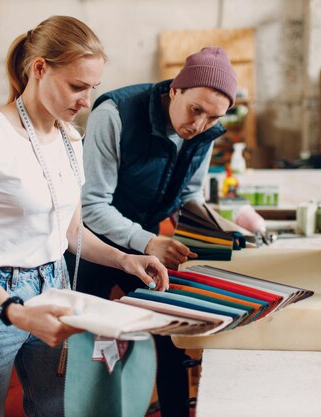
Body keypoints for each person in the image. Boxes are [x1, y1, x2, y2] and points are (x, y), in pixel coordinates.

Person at [0, 16, 168, 417]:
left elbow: (71, 230)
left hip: (54, 287)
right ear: (40, 68)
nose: (86, 101)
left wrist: (125, 259)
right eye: (77, 86)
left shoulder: (70, 139)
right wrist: (16, 311)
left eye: (92, 88)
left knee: (55, 410)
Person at [66, 46, 237, 417]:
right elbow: (92, 205)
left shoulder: (205, 132)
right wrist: (148, 241)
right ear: (175, 90)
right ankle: (83, 405)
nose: (200, 125)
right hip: (93, 238)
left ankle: (175, 411)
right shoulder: (115, 114)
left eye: (213, 117)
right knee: (82, 332)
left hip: (146, 240)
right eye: (196, 110)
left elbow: (191, 196)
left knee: (171, 330)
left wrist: (220, 236)